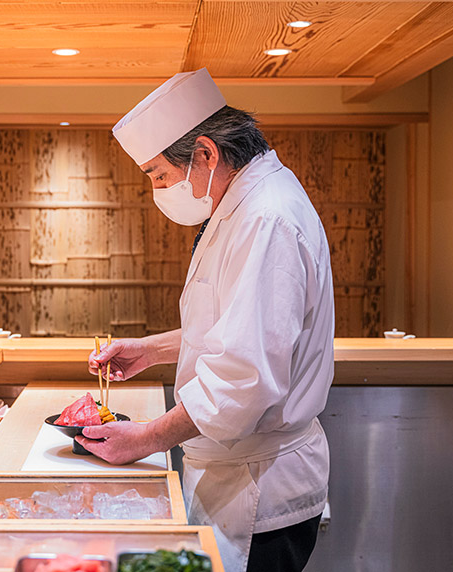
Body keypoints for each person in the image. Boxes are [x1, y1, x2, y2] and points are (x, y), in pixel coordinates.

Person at [75, 68, 335, 572]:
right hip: (233, 474)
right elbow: (234, 325)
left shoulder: (265, 218)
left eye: (159, 176)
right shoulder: (243, 204)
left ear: (206, 154)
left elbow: (243, 378)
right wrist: (151, 349)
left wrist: (147, 438)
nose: (159, 191)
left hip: (259, 491)